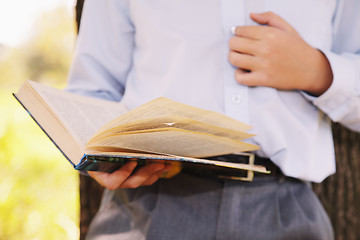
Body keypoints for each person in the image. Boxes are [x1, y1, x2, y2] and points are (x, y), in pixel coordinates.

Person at [66, 0, 360, 239]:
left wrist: (318, 71)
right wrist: (101, 158)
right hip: (148, 205)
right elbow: (93, 91)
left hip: (287, 210)